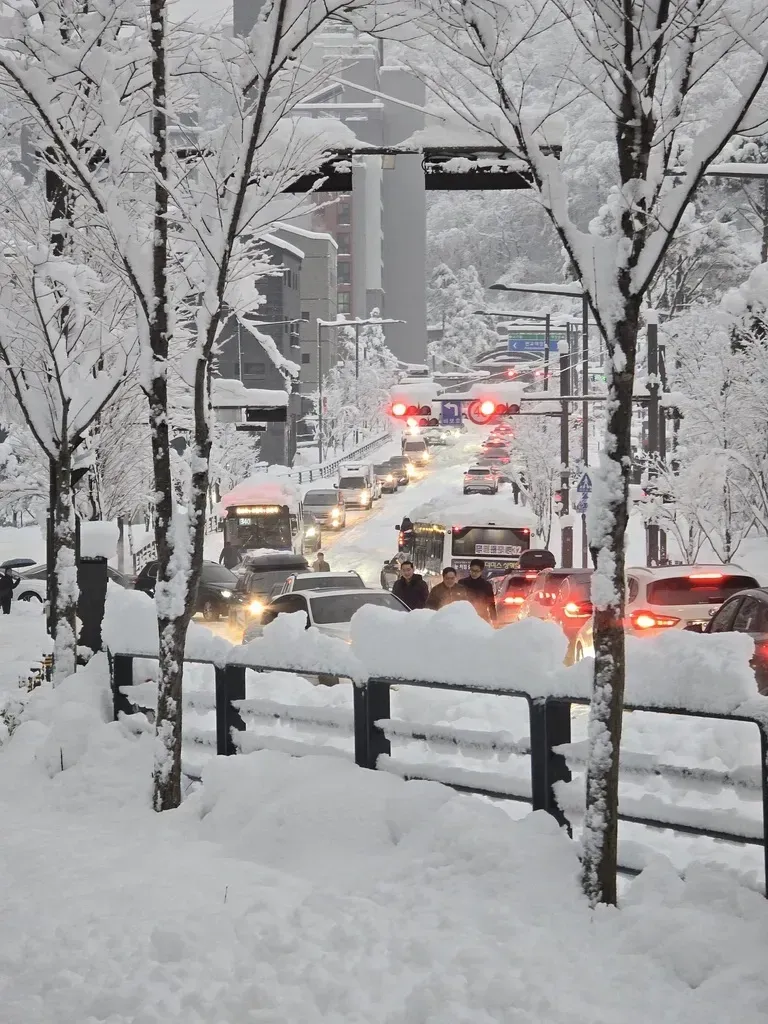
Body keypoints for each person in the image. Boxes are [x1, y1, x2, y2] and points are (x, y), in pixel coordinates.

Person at [459, 558, 497, 623]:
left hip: (482, 617)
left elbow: (491, 603)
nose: (474, 573)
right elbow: (457, 600)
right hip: (465, 616)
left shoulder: (487, 585)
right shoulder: (462, 583)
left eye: (476, 571)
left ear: (481, 571)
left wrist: (494, 619)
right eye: (472, 570)